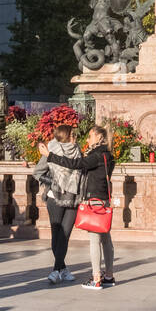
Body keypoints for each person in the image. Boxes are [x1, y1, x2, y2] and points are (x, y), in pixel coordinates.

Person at [60, 126, 116, 291]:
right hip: (104, 200)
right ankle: (109, 276)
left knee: (94, 241)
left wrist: (51, 156)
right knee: (106, 239)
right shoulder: (107, 156)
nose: (87, 139)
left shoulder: (96, 156)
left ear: (99, 137)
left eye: (90, 136)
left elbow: (76, 164)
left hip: (94, 201)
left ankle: (96, 278)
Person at [33, 124, 82, 283]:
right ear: (66, 136)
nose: (75, 136)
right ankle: (60, 269)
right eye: (72, 134)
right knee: (57, 233)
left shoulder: (77, 150)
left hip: (73, 197)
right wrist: (54, 182)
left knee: (65, 235)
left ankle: (57, 269)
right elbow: (38, 172)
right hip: (55, 197)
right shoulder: (51, 150)